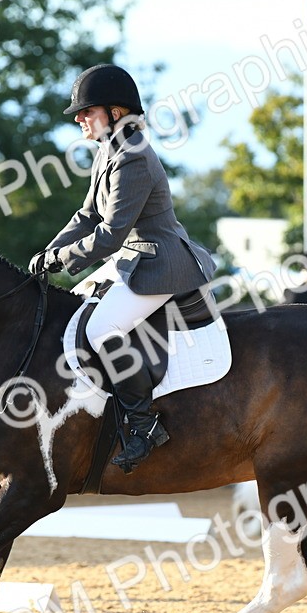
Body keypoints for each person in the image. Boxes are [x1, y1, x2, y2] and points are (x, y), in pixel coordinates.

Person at [29, 64, 215, 474]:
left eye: (87, 111)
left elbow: (111, 234)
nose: (79, 118)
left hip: (160, 262)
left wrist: (60, 261)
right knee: (78, 309)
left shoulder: (132, 158)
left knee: (100, 330)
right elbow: (86, 215)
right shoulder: (108, 152)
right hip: (134, 259)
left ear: (116, 112)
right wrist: (48, 251)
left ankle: (143, 423)